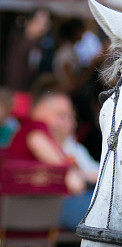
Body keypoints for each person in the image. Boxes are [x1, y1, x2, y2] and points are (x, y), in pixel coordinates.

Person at [4, 90, 92, 227]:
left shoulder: (33, 131)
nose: (68, 123)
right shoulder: (35, 131)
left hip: (35, 208)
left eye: (70, 117)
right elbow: (74, 183)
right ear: (41, 110)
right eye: (61, 115)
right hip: (34, 209)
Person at [3, 9, 52, 92]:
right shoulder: (25, 44)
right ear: (30, 21)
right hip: (20, 93)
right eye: (42, 22)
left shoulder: (34, 44)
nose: (46, 26)